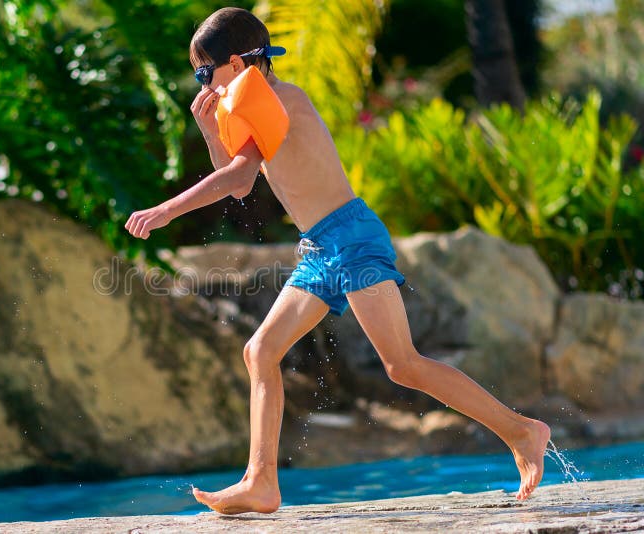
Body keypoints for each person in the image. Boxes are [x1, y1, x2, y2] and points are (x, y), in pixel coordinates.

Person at [124, 7, 551, 515]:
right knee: (260, 352)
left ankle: (523, 431)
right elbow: (239, 180)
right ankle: (261, 482)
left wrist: (165, 210)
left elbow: (236, 178)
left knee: (402, 365)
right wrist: (211, 131)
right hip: (321, 249)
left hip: (351, 240)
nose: (201, 83)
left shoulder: (279, 100)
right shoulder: (252, 102)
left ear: (234, 64)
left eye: (202, 72)